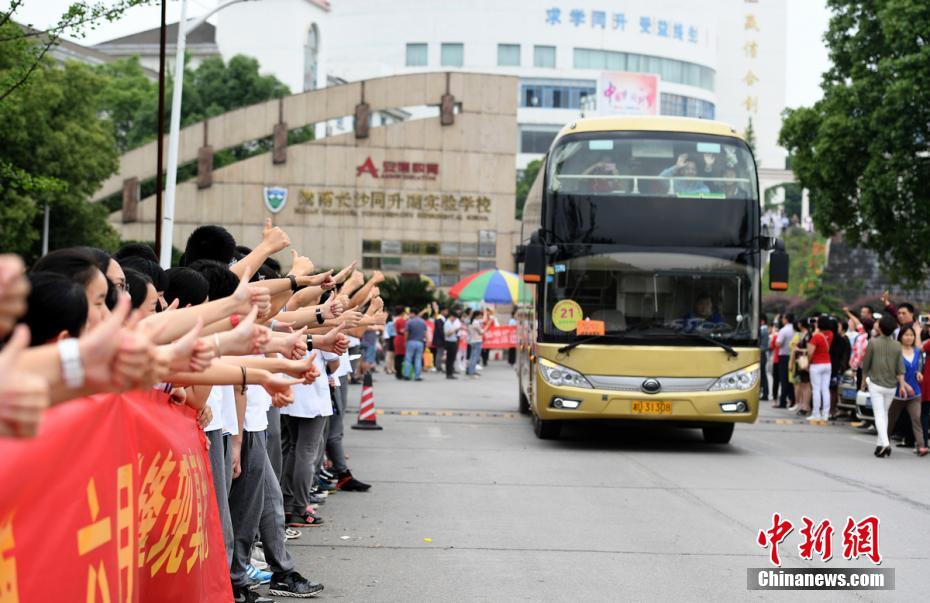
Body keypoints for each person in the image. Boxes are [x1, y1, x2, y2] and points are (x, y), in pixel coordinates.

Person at [861, 313, 909, 458]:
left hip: (876, 383)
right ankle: (879, 445)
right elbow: (900, 368)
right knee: (884, 414)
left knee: (879, 415)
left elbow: (866, 364)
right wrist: (902, 385)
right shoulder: (897, 345)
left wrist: (863, 380)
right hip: (892, 385)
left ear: (880, 328)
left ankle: (886, 444)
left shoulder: (873, 342)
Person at [886, 326, 928, 455]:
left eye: (911, 335)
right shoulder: (895, 352)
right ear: (900, 337)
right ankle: (884, 442)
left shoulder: (917, 352)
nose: (909, 337)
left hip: (914, 392)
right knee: (891, 420)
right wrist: (902, 384)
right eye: (906, 335)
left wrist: (919, 373)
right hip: (897, 393)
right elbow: (892, 371)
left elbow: (920, 366)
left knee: (916, 419)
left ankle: (921, 446)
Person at [806, 316, 834, 421]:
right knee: (825, 389)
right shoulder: (831, 334)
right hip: (827, 363)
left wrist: (808, 363)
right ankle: (825, 414)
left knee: (816, 389)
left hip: (816, 364)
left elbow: (810, 352)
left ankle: (816, 413)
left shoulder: (816, 337)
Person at [789, 319, 812, 415]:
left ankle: (805, 406)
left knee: (805, 385)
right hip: (801, 362)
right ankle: (803, 405)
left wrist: (799, 350)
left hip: (805, 362)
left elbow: (809, 350)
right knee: (802, 384)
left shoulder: (808, 336)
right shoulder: (805, 335)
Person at [775, 313, 796, 408]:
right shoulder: (795, 330)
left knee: (784, 379)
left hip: (784, 356)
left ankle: (783, 401)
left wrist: (776, 342)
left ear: (786, 319)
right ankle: (792, 400)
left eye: (783, 318)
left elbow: (778, 343)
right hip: (793, 356)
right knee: (791, 379)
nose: (782, 320)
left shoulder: (783, 330)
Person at [403, 309, 428, 381]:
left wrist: (405, 341)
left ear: (413, 313)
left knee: (408, 359)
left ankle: (407, 375)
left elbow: (406, 333)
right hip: (420, 342)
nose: (409, 315)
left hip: (411, 342)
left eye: (410, 313)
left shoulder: (409, 322)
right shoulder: (423, 322)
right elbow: (425, 333)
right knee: (418, 359)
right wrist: (427, 340)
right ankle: (417, 376)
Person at [444, 309, 462, 379]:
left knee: (451, 358)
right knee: (450, 359)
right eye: (454, 318)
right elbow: (447, 334)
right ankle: (449, 374)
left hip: (453, 341)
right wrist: (455, 329)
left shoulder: (451, 323)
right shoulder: (447, 323)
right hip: (450, 342)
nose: (455, 320)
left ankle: (450, 373)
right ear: (452, 316)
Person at [467, 310, 485, 378]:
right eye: (480, 315)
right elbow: (481, 332)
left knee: (472, 357)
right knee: (475, 357)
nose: (481, 316)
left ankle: (471, 371)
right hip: (477, 341)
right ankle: (472, 372)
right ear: (477, 315)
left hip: (472, 340)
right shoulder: (476, 323)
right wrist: (485, 329)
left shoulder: (471, 322)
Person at [759, 315, 770, 400]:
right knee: (762, 374)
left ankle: (765, 394)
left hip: (762, 353)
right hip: (763, 353)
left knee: (762, 374)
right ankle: (764, 393)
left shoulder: (763, 330)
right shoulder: (765, 329)